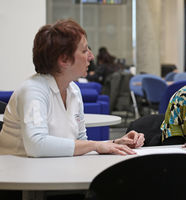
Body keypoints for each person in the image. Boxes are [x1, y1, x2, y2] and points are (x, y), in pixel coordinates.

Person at [0, 19, 144, 157]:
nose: (91, 57)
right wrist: (96, 145)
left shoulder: (73, 90)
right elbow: (36, 145)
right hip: (18, 177)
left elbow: (81, 143)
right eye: (84, 51)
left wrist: (114, 143)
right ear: (64, 60)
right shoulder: (33, 90)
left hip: (51, 171)